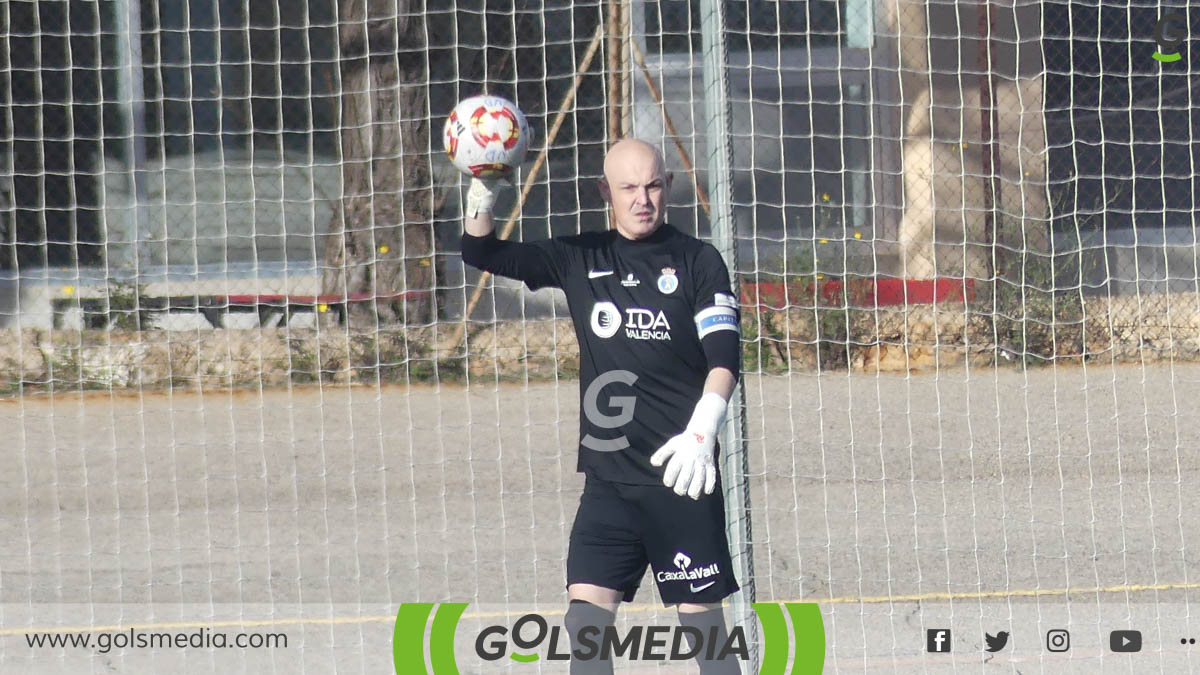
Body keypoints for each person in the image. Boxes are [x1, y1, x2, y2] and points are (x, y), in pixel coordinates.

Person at [461, 139, 742, 674]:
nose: (643, 199)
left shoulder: (698, 261)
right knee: (586, 628)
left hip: (680, 478)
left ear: (669, 188)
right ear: (604, 192)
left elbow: (724, 356)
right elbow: (482, 254)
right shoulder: (580, 256)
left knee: (705, 633)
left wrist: (703, 431)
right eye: (629, 188)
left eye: (654, 185)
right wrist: (483, 191)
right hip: (609, 482)